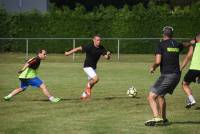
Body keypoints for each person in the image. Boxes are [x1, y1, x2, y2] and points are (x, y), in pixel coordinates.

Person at [144, 26, 191, 126]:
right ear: (172, 34)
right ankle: (164, 119)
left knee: (151, 97)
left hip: (167, 75)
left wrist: (153, 68)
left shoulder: (161, 44)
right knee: (161, 95)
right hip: (177, 75)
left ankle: (156, 117)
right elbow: (185, 44)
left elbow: (158, 61)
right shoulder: (177, 44)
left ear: (163, 34)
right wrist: (192, 42)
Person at [64, 35, 111, 100]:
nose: (99, 41)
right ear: (93, 40)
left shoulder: (101, 47)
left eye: (100, 40)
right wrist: (68, 53)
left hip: (93, 68)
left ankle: (84, 95)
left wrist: (108, 55)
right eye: (97, 40)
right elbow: (78, 48)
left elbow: (106, 58)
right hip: (87, 66)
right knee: (96, 79)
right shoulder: (89, 46)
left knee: (92, 84)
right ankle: (87, 92)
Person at [180, 33, 200, 108]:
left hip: (194, 69)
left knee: (184, 84)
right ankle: (189, 101)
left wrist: (181, 68)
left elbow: (188, 57)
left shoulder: (194, 46)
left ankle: (192, 100)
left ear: (197, 38)